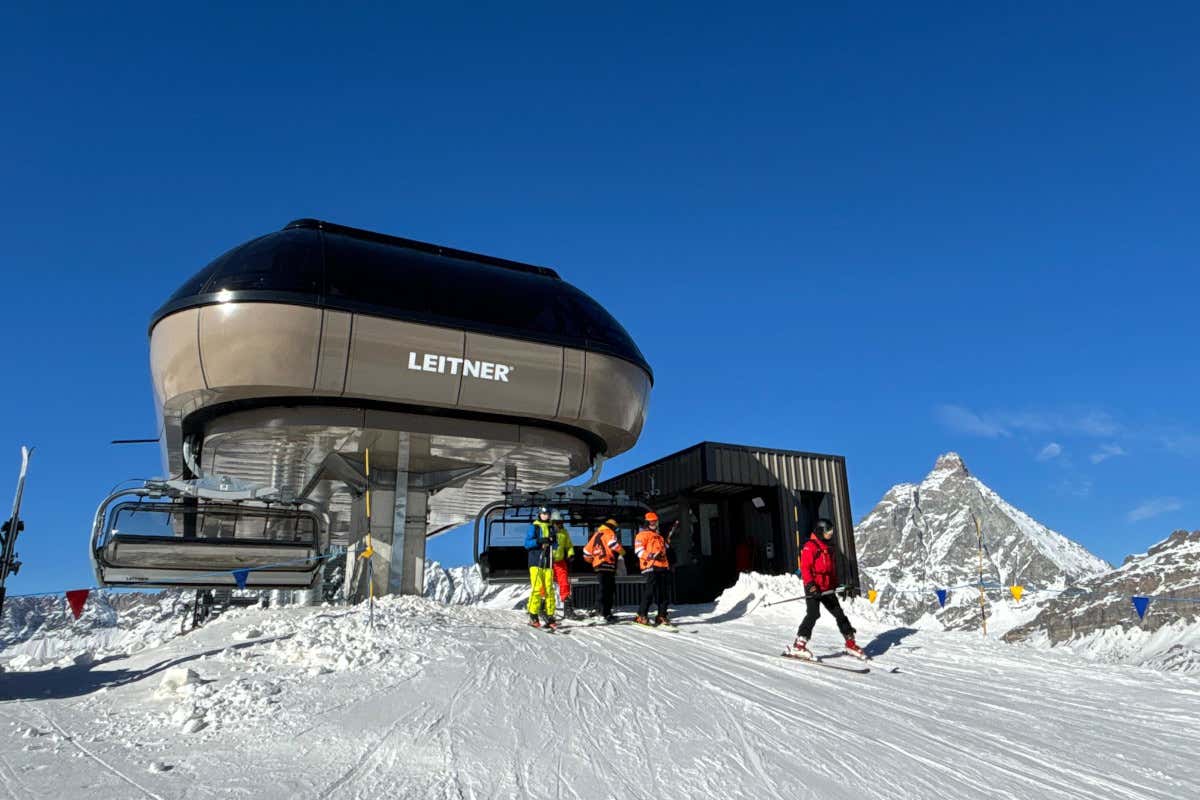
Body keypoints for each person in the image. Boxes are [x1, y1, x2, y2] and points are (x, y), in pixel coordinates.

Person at [788, 519, 866, 660]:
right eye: (828, 531)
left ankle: (850, 642)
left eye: (831, 531)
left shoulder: (828, 547)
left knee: (839, 614)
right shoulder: (810, 546)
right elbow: (805, 568)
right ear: (820, 531)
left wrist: (838, 586)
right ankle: (799, 644)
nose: (831, 534)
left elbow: (831, 570)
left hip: (827, 587)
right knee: (813, 614)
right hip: (814, 587)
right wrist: (811, 586)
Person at [634, 511, 673, 626]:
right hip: (650, 566)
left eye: (655, 521)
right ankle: (641, 615)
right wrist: (650, 555)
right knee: (649, 592)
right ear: (646, 522)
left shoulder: (660, 537)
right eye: (651, 521)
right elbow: (639, 551)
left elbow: (663, 551)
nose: (654, 523)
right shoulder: (642, 535)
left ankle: (661, 616)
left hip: (662, 567)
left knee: (664, 593)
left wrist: (666, 544)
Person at [583, 518, 624, 622]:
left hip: (598, 565)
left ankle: (599, 610)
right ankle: (605, 613)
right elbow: (613, 545)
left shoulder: (596, 534)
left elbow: (586, 552)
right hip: (608, 564)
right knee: (609, 590)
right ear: (612, 526)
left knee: (603, 588)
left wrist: (592, 560)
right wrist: (623, 552)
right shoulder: (609, 532)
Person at [524, 506, 557, 629]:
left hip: (548, 562)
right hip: (535, 561)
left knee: (549, 588)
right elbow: (527, 544)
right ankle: (533, 614)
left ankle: (549, 615)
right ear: (539, 515)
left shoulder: (551, 527)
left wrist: (552, 541)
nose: (545, 516)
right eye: (543, 514)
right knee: (537, 588)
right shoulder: (534, 526)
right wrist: (539, 541)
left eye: (547, 514)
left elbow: (556, 544)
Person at [549, 511, 580, 619]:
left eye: (560, 522)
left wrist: (571, 554)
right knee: (546, 584)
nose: (559, 524)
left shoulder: (564, 533)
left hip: (560, 561)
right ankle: (543, 607)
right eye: (557, 522)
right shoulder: (547, 531)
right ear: (552, 522)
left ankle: (567, 609)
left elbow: (569, 546)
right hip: (548, 561)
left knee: (565, 583)